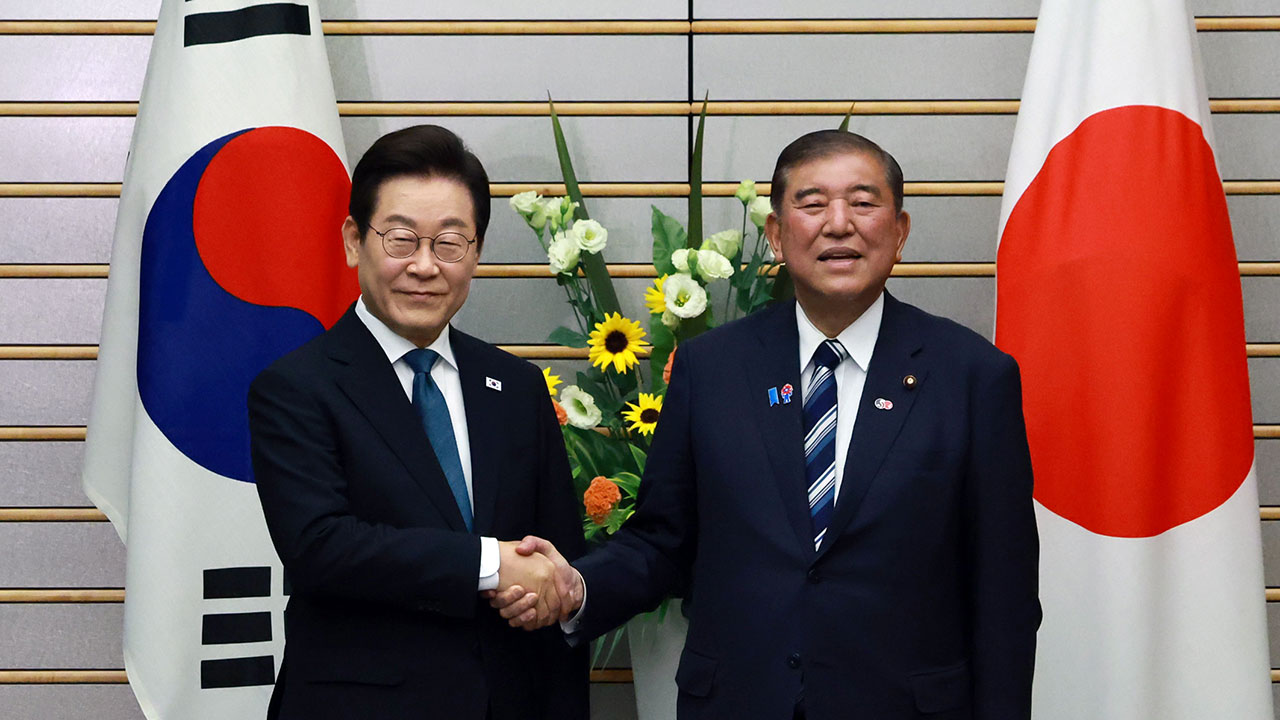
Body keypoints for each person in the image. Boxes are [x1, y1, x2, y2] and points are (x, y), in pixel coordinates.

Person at [495, 129, 1041, 719]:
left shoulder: (971, 376)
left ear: (900, 232)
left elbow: (1004, 594)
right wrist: (579, 585)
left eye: (863, 202)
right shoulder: (713, 367)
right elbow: (662, 540)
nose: (839, 223)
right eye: (812, 204)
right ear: (777, 236)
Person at [248, 124, 588, 720]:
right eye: (402, 240)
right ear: (355, 240)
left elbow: (557, 550)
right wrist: (491, 565)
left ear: (476, 252)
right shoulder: (296, 388)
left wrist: (553, 590)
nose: (425, 266)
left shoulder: (516, 385)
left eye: (450, 243)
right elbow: (320, 548)